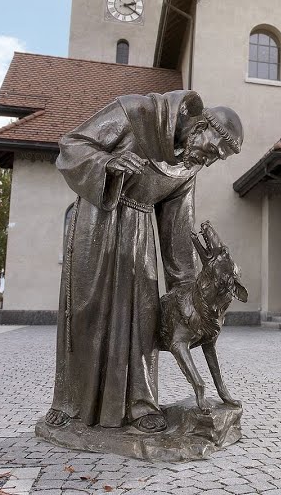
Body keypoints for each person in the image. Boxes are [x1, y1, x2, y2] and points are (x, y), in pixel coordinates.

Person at [40, 90, 243, 433]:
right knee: (86, 313)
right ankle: (69, 403)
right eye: (214, 150)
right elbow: (71, 145)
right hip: (96, 221)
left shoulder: (186, 169)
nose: (210, 160)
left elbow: (178, 232)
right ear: (203, 125)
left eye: (218, 159)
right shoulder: (137, 111)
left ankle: (139, 405)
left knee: (141, 318)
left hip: (137, 236)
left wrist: (188, 298)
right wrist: (108, 163)